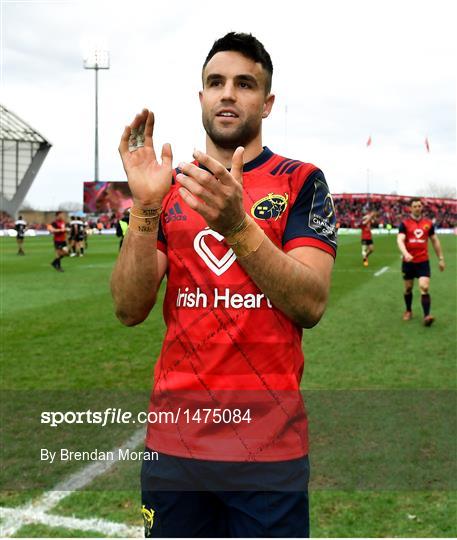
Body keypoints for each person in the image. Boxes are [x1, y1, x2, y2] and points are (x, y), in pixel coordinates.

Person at [111, 32, 337, 538]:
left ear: (267, 102)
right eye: (216, 82)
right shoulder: (170, 190)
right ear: (201, 98)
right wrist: (145, 206)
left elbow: (310, 302)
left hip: (267, 451)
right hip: (174, 450)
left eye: (244, 84)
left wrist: (236, 225)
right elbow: (128, 308)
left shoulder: (301, 181)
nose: (228, 93)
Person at [397, 198, 445, 326]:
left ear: (421, 207)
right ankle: (408, 310)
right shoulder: (405, 223)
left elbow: (435, 241)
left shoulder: (428, 223)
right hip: (408, 262)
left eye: (419, 206)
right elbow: (400, 240)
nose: (417, 208)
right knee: (408, 288)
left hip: (423, 261)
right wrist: (406, 254)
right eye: (415, 206)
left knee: (424, 287)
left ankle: (427, 315)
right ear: (410, 208)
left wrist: (441, 258)